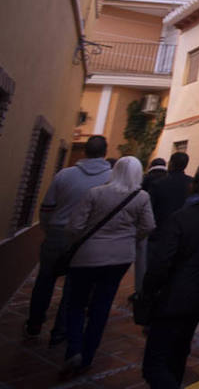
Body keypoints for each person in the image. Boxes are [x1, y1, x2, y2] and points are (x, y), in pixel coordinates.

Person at [62, 156, 154, 378]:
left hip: (87, 256)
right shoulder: (141, 197)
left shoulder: (96, 193)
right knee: (101, 306)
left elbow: (75, 225)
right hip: (120, 258)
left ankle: (73, 349)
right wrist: (130, 238)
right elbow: (148, 226)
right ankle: (88, 355)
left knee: (75, 304)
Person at [142, 168, 199, 388]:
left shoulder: (181, 218)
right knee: (179, 351)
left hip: (177, 296)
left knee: (155, 364)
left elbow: (162, 261)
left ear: (192, 187)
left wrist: (149, 290)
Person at [26, 135, 112, 344]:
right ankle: (60, 331)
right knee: (74, 288)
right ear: (105, 153)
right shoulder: (111, 179)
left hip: (57, 233)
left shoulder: (64, 175)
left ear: (85, 152)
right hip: (87, 240)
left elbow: (46, 208)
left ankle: (34, 324)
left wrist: (50, 229)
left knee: (45, 280)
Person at [136, 158, 167, 292]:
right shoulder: (167, 178)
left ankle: (142, 290)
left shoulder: (146, 179)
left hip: (149, 226)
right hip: (167, 228)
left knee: (144, 261)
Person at [148, 151, 192, 239]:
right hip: (183, 231)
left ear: (171, 164)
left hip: (160, 231)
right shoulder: (192, 183)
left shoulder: (158, 184)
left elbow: (150, 209)